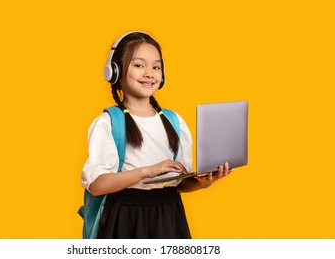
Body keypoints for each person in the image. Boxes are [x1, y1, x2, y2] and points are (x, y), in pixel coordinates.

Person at [81, 31, 232, 239]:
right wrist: (147, 171)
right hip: (127, 218)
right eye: (139, 65)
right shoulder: (108, 123)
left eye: (156, 66)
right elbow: (97, 186)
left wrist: (203, 182)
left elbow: (179, 183)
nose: (150, 73)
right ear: (114, 71)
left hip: (170, 215)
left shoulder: (173, 121)